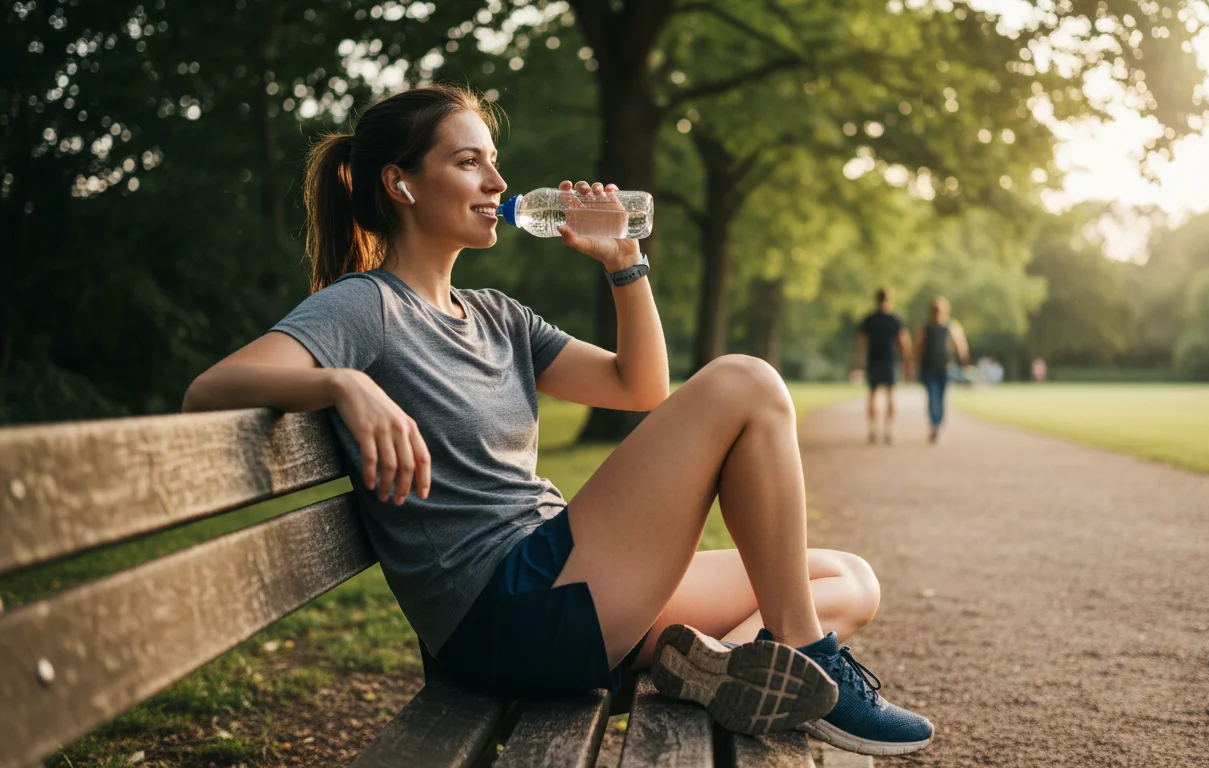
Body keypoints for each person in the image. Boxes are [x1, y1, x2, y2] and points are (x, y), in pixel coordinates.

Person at [181, 85, 933, 757]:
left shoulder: (498, 316)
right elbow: (208, 391)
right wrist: (344, 383)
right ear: (401, 183)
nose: (498, 183)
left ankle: (713, 666)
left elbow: (640, 386)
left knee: (849, 578)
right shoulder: (366, 307)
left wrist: (622, 264)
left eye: (494, 161)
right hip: (507, 608)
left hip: (564, 583)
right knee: (746, 381)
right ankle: (805, 653)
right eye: (470, 162)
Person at [850, 288, 913, 445]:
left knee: (873, 395)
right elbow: (904, 342)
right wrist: (907, 361)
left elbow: (861, 342)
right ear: (889, 299)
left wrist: (858, 361)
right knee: (889, 395)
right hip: (889, 361)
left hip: (875, 361)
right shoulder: (894, 319)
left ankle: (874, 429)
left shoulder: (870, 319)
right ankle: (888, 429)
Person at [913, 297, 970, 443]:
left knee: (941, 398)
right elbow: (919, 347)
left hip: (944, 368)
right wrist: (913, 364)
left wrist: (964, 360)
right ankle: (934, 425)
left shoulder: (951, 326)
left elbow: (960, 344)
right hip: (928, 368)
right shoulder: (925, 327)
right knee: (932, 397)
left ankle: (938, 422)